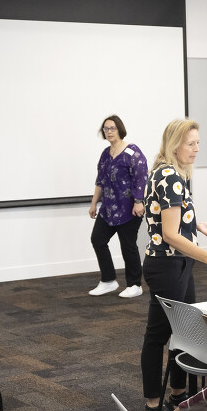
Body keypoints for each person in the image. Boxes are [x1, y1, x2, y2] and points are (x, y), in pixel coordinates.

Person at [139, 118, 207, 411]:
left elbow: (171, 219)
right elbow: (170, 234)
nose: (197, 148)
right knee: (160, 334)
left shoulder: (168, 172)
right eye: (191, 143)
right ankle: (153, 405)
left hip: (174, 263)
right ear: (175, 145)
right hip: (168, 264)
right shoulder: (170, 177)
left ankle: (178, 395)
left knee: (183, 331)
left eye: (198, 142)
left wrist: (197, 225)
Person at [88, 114, 149, 299]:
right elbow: (100, 181)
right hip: (108, 209)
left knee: (128, 246)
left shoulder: (132, 151)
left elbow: (141, 178)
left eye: (112, 128)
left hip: (129, 209)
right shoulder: (105, 154)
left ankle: (135, 285)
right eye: (106, 129)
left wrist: (138, 202)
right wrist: (93, 203)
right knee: (97, 239)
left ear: (120, 129)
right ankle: (108, 281)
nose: (109, 132)